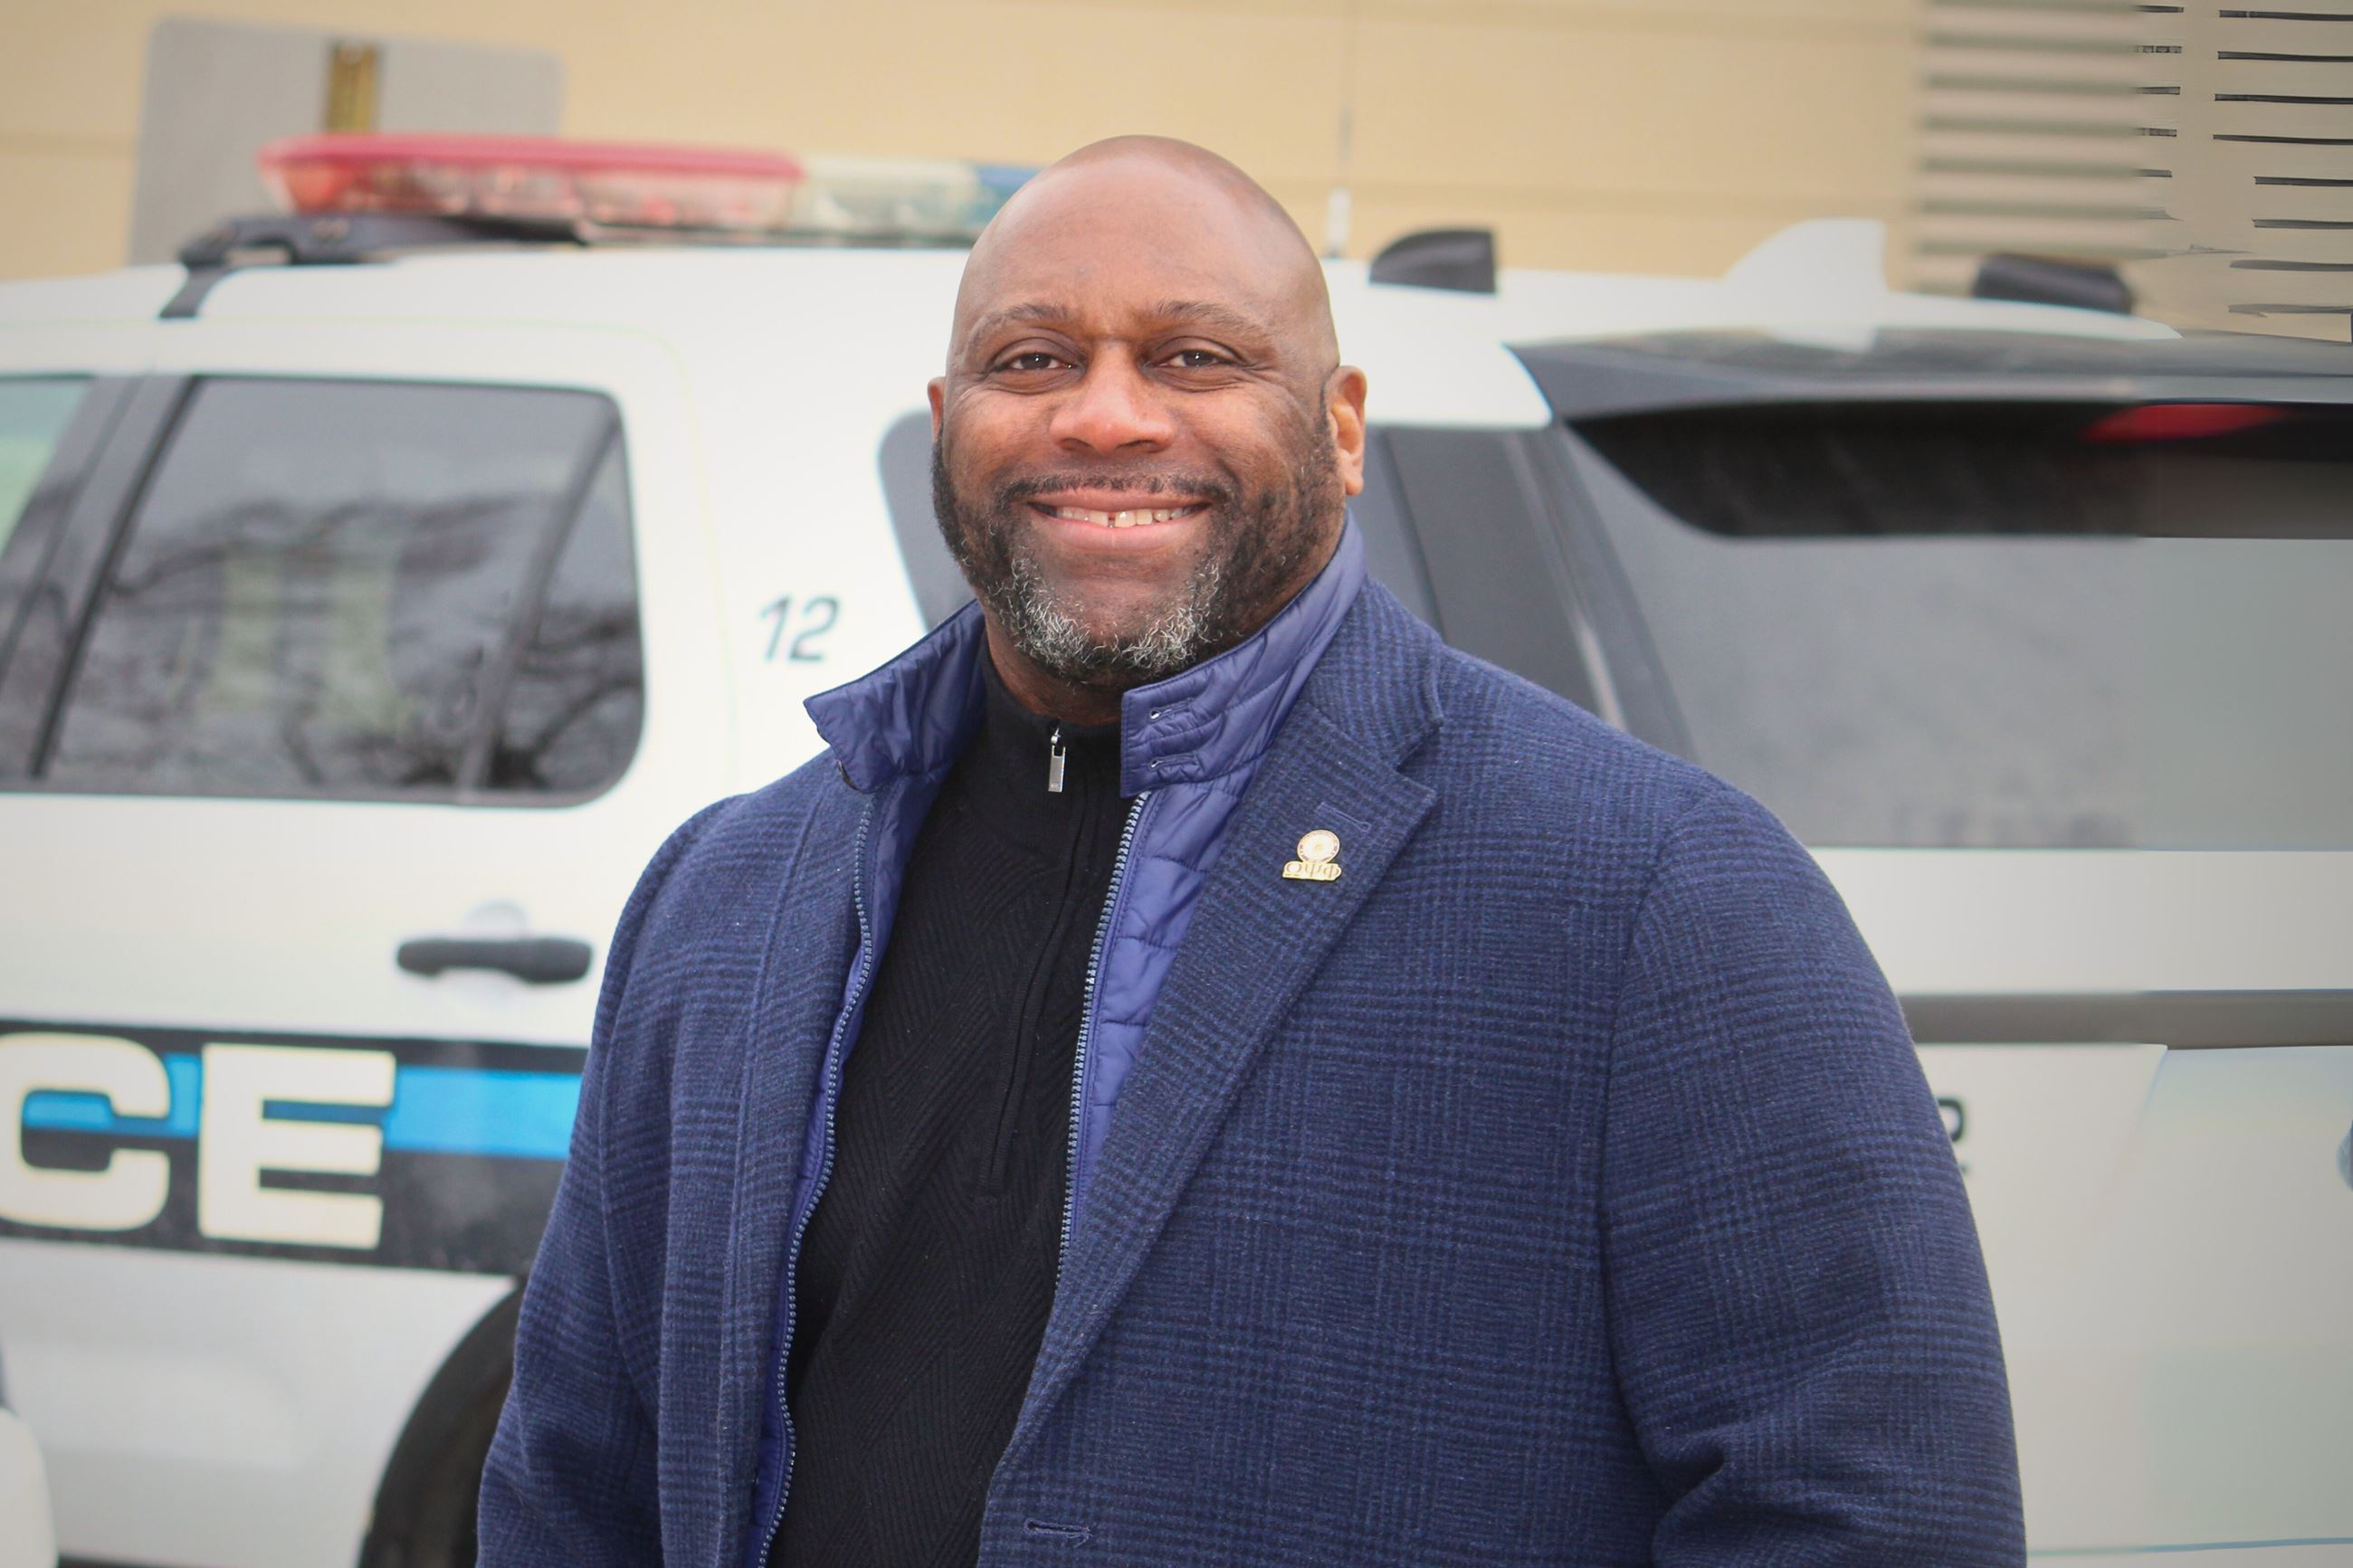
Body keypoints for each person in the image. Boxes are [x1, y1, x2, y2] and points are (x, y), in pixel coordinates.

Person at [480, 137, 2024, 1567]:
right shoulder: (726, 896)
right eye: (1033, 358)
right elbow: (572, 1482)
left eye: (1194, 355)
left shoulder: (1657, 897)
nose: (1104, 412)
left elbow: (1871, 1517)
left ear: (1339, 431)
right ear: (952, 429)